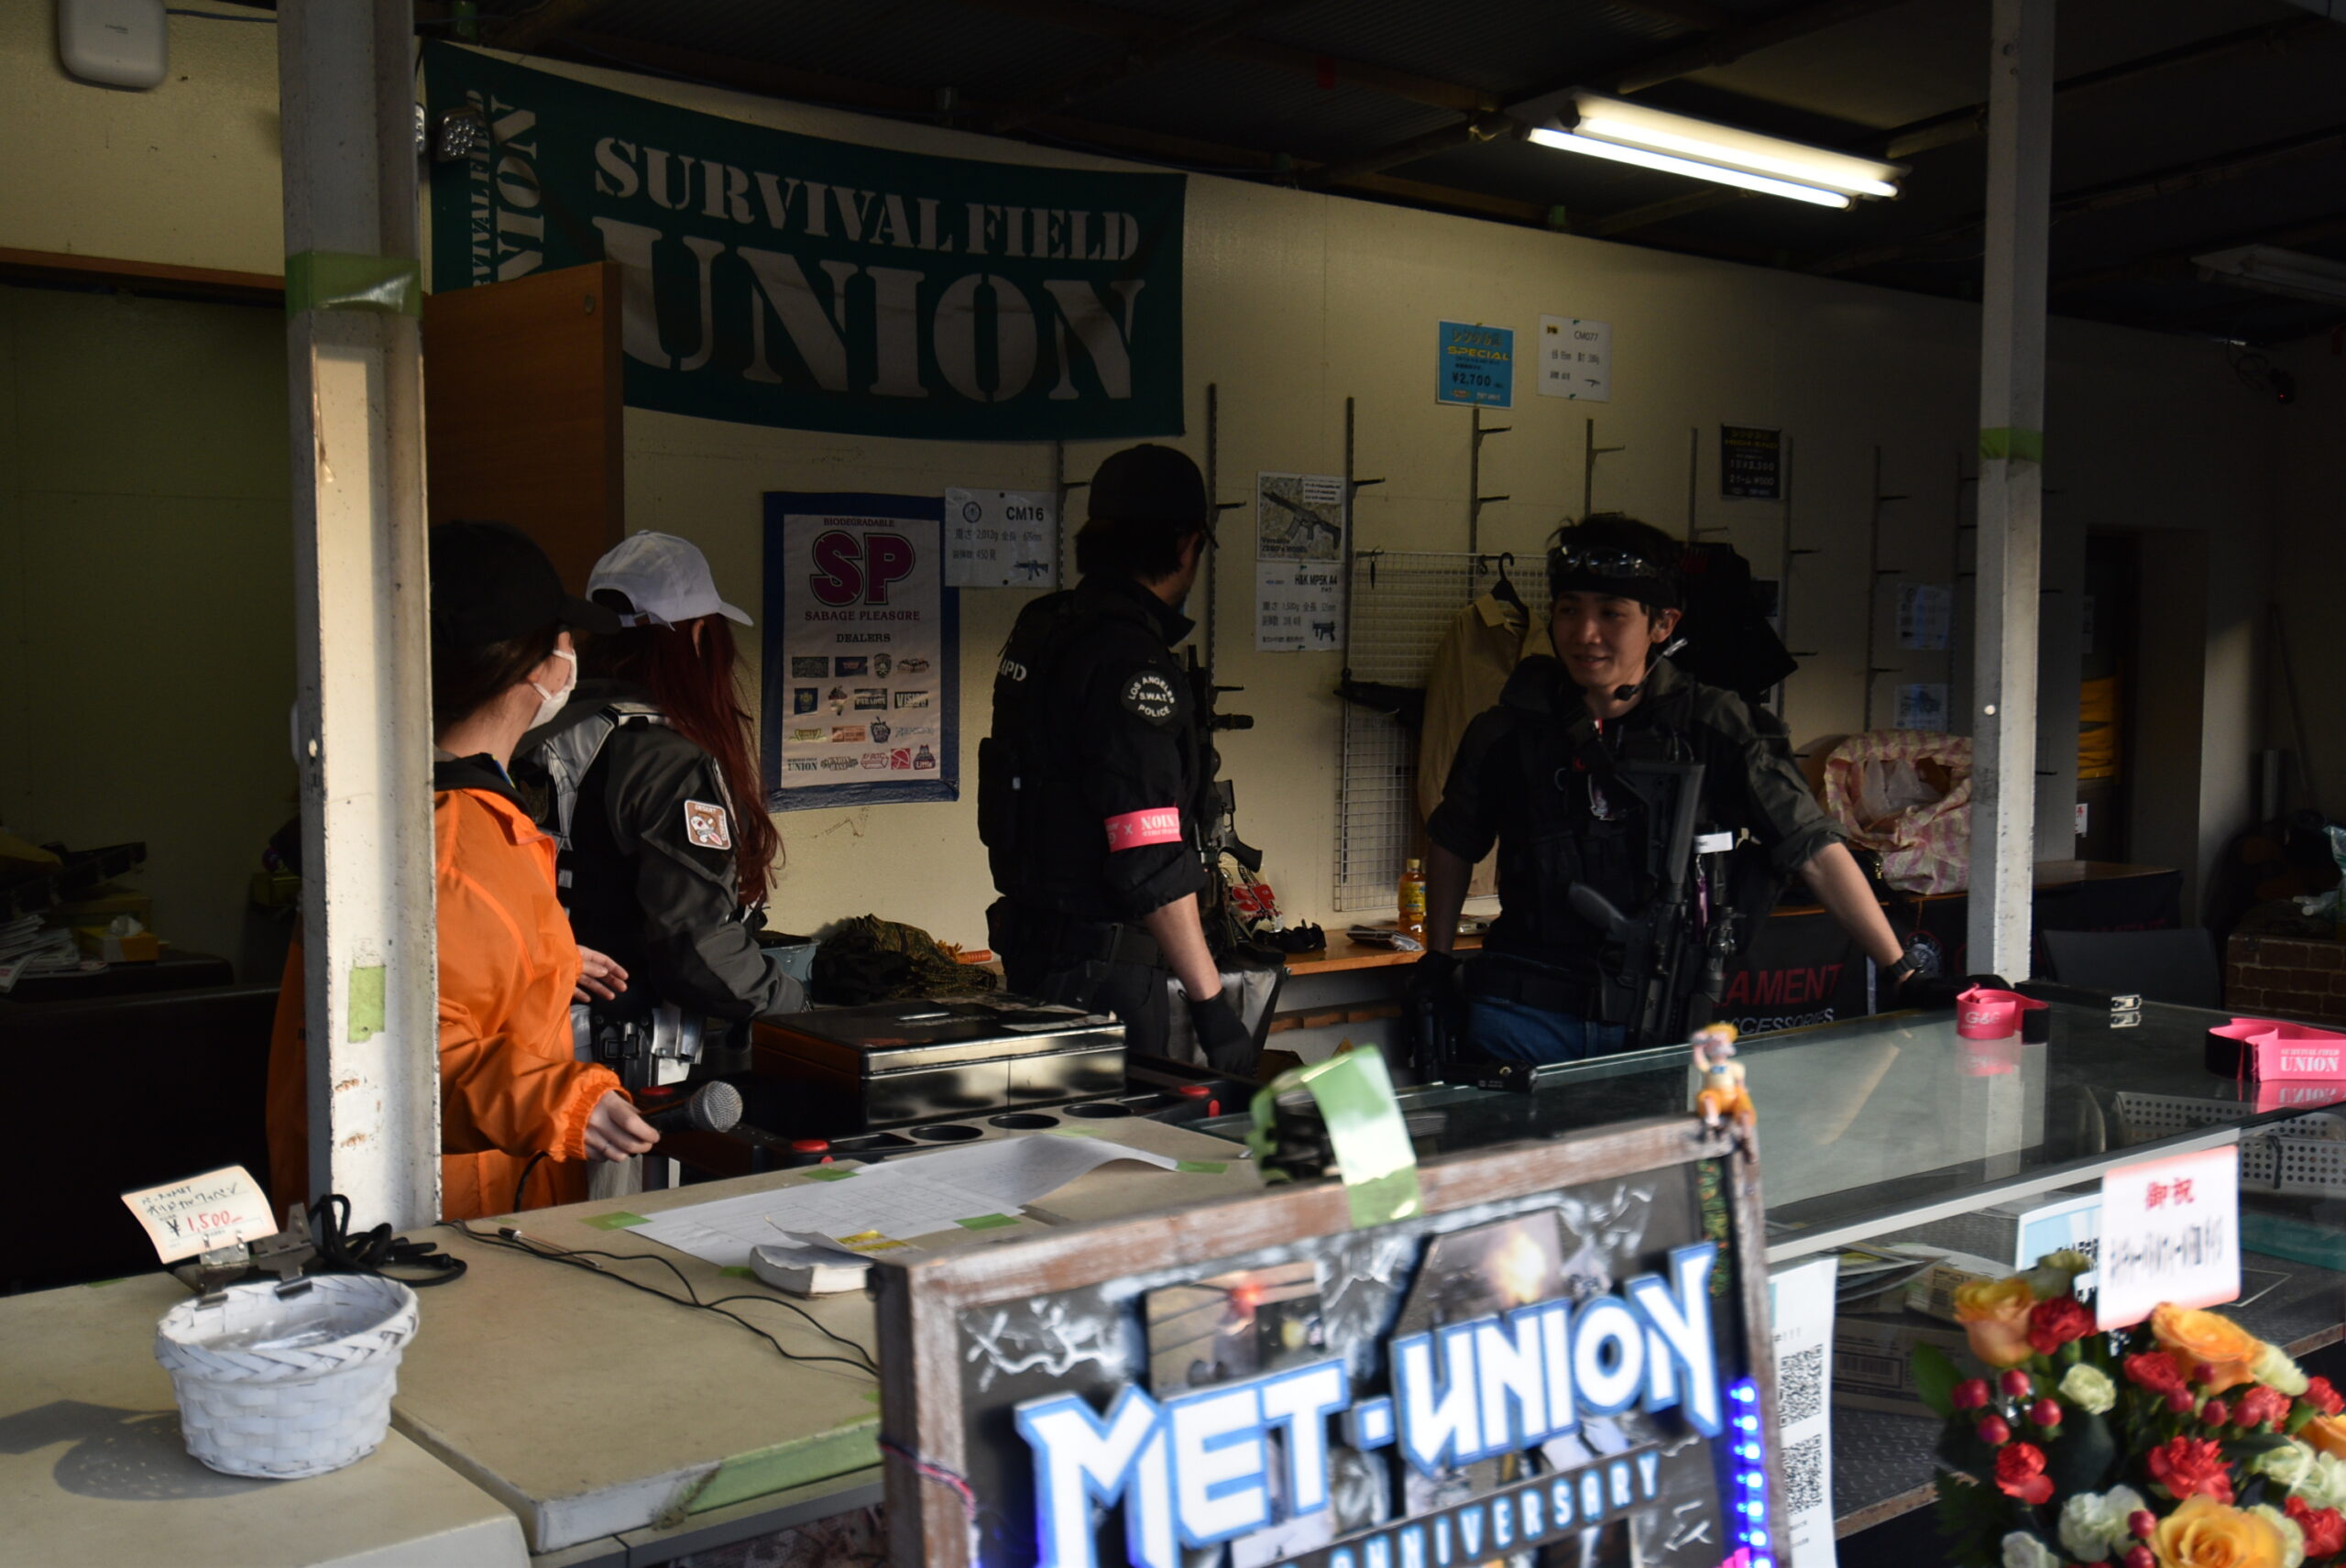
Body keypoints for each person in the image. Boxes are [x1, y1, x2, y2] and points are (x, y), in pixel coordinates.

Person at [1417, 513, 1929, 1066]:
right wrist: (1436, 961)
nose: (1584, 633)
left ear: (1662, 624)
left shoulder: (1716, 728)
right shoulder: (1508, 729)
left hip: (1658, 1016)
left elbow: (1812, 848)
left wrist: (1903, 972)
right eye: (1568, 609)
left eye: (1611, 613)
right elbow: (1453, 843)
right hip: (1521, 1017)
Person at [267, 521, 660, 1220]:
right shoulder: (449, 844)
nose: (572, 654)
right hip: (445, 1220)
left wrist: (541, 965)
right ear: (533, 667)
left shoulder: (421, 808)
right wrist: (565, 1100)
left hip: (422, 1204)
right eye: (564, 636)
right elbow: (399, 1052)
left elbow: (442, 972)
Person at [981, 444, 1256, 1073]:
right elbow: (1147, 850)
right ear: (1187, 544)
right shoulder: (1129, 659)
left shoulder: (1047, 626)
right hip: (1104, 979)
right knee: (1125, 1135)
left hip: (1034, 955)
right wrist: (1212, 1007)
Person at [512, 531, 805, 1091]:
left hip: (519, 1039)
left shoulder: (531, 728)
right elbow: (696, 950)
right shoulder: (666, 759)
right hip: (621, 1067)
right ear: (698, 636)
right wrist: (794, 1005)